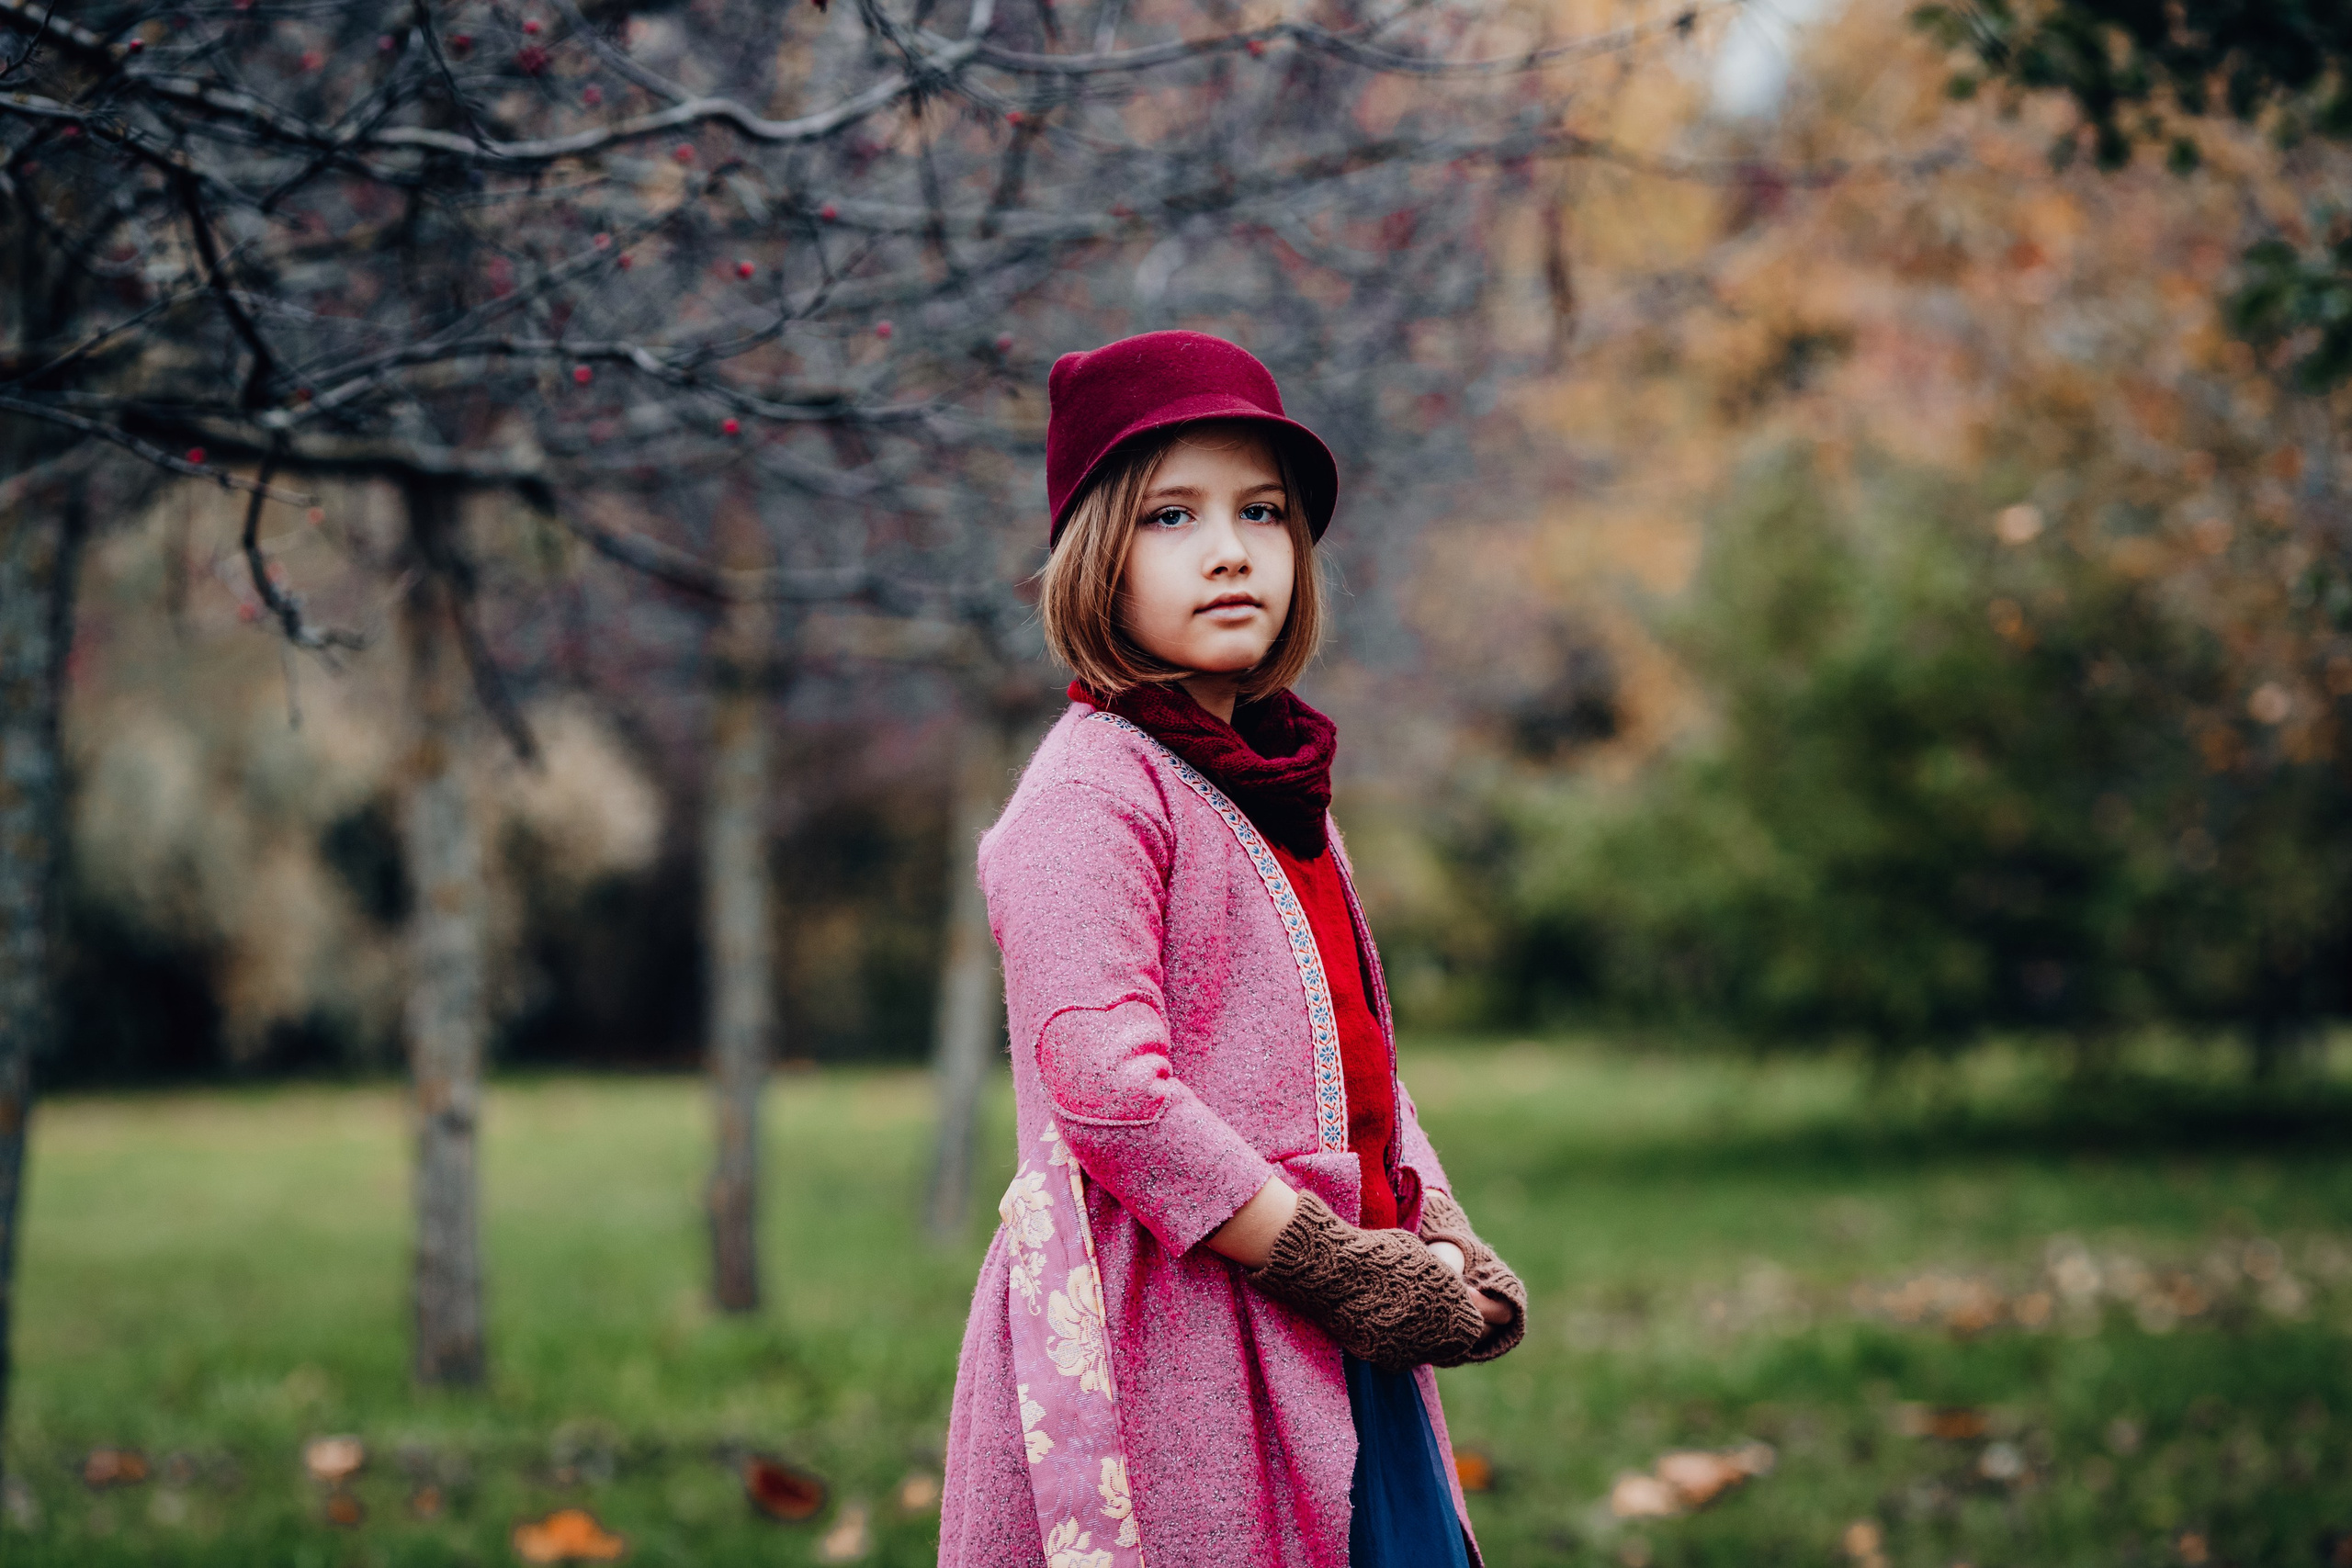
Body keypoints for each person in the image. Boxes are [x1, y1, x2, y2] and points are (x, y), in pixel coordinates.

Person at [939, 331, 1526, 1568]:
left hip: (1342, 1323)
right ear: (1095, 555)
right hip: (1185, 1334)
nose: (1230, 550)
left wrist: (1442, 1227)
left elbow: (1358, 1064)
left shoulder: (1278, 788)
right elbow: (1107, 1094)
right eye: (1171, 518)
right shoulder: (1092, 792)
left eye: (1263, 512)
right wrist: (1336, 1266)